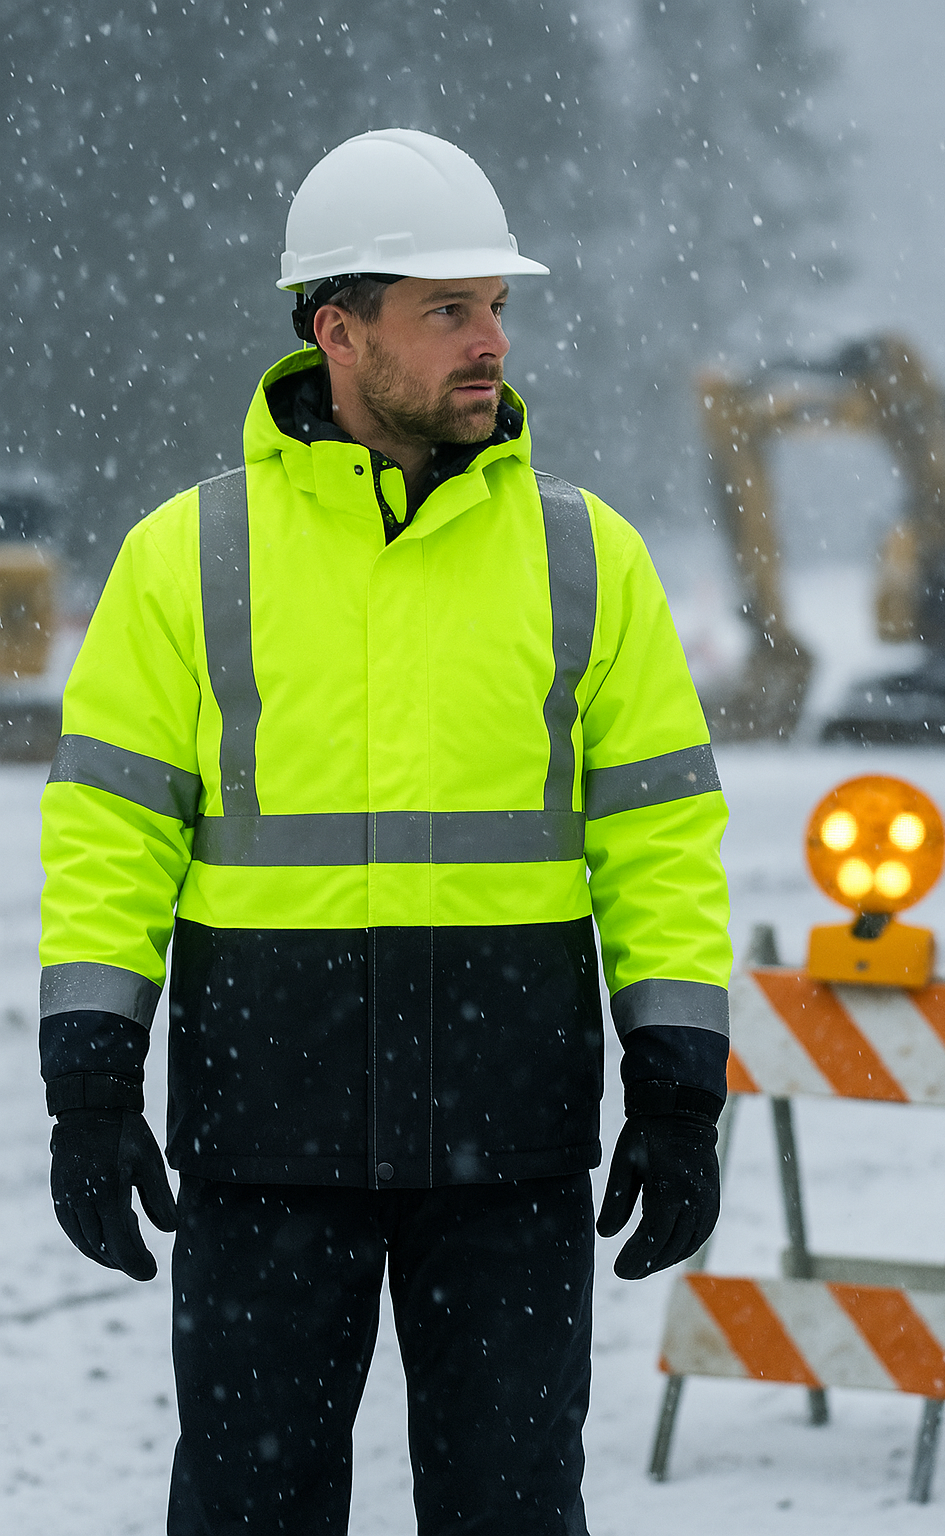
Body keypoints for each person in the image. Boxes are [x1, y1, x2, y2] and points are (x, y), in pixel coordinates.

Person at [39, 129, 731, 1536]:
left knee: (513, 1512)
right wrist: (92, 1086)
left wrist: (677, 1087)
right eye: (450, 311)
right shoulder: (188, 557)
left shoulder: (587, 555)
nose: (494, 342)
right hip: (265, 1149)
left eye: (497, 306)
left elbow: (659, 840)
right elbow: (111, 837)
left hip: (513, 1153)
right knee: (250, 1512)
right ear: (337, 328)